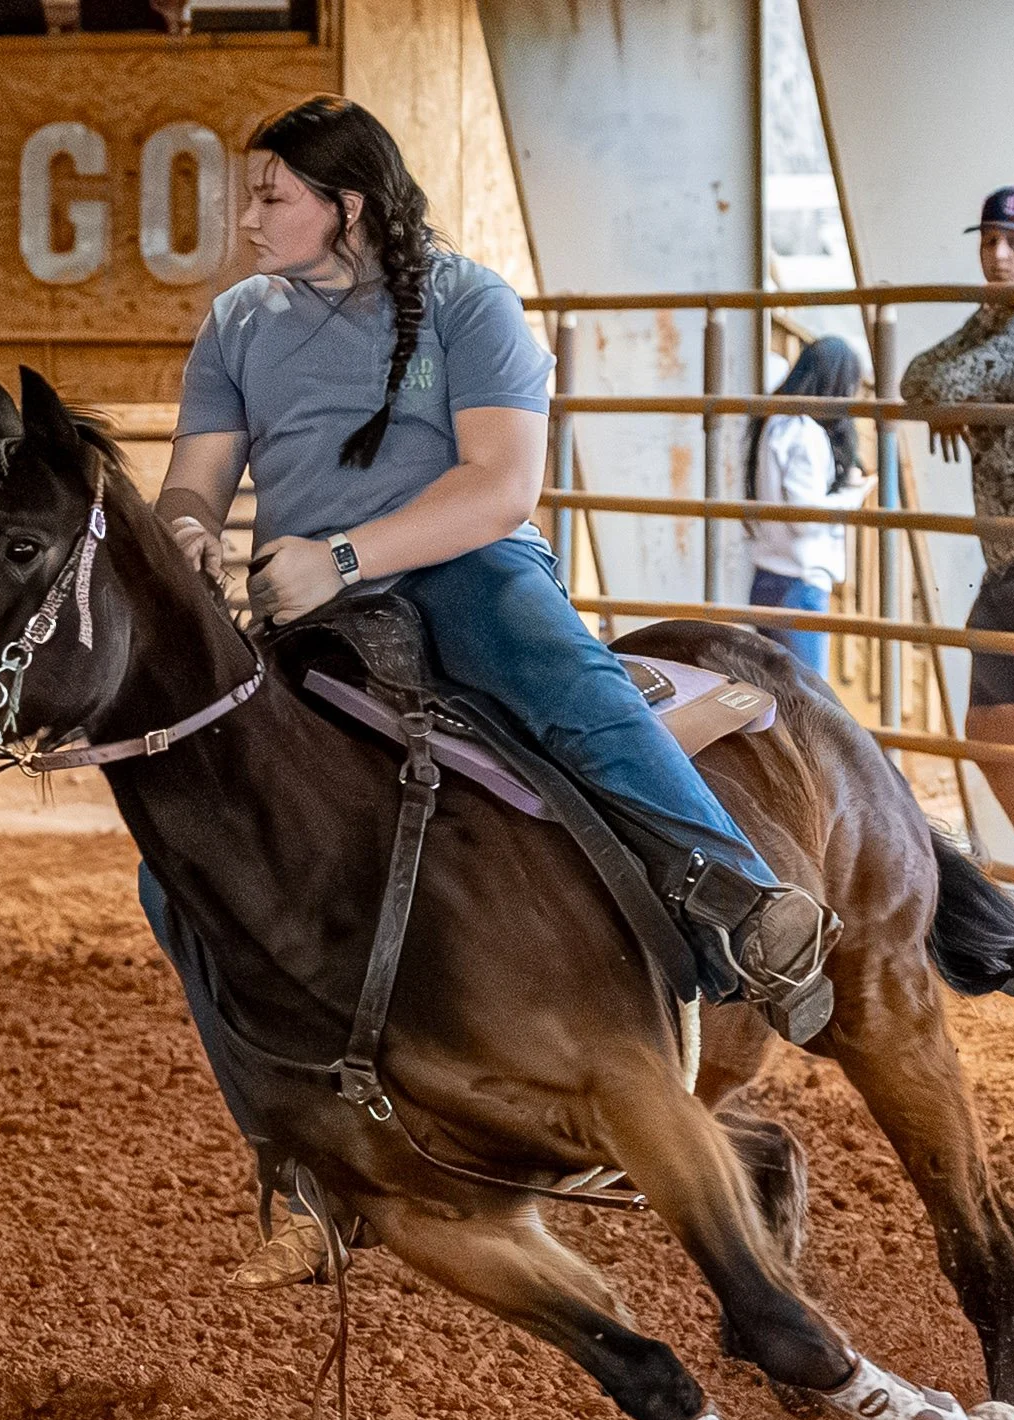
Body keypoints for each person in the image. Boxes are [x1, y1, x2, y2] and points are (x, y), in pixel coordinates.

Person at [150, 96, 841, 1280]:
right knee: (188, 854)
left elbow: (500, 488)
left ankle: (732, 894)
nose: (248, 216)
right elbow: (195, 479)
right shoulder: (237, 325)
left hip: (457, 567)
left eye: (271, 195)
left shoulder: (472, 305)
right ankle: (297, 1156)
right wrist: (189, 532)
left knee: (561, 680)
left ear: (345, 206)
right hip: (307, 599)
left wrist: (347, 555)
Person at [900, 187, 1014, 929]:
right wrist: (951, 396)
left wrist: (956, 402)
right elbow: (915, 379)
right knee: (991, 733)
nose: (997, 255)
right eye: (988, 242)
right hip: (1010, 561)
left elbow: (939, 382)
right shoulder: (996, 319)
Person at [742, 336, 872, 677]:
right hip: (798, 583)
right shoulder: (805, 432)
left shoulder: (775, 422)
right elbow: (806, 519)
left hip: (767, 577)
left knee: (779, 702)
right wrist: (855, 494)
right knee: (810, 703)